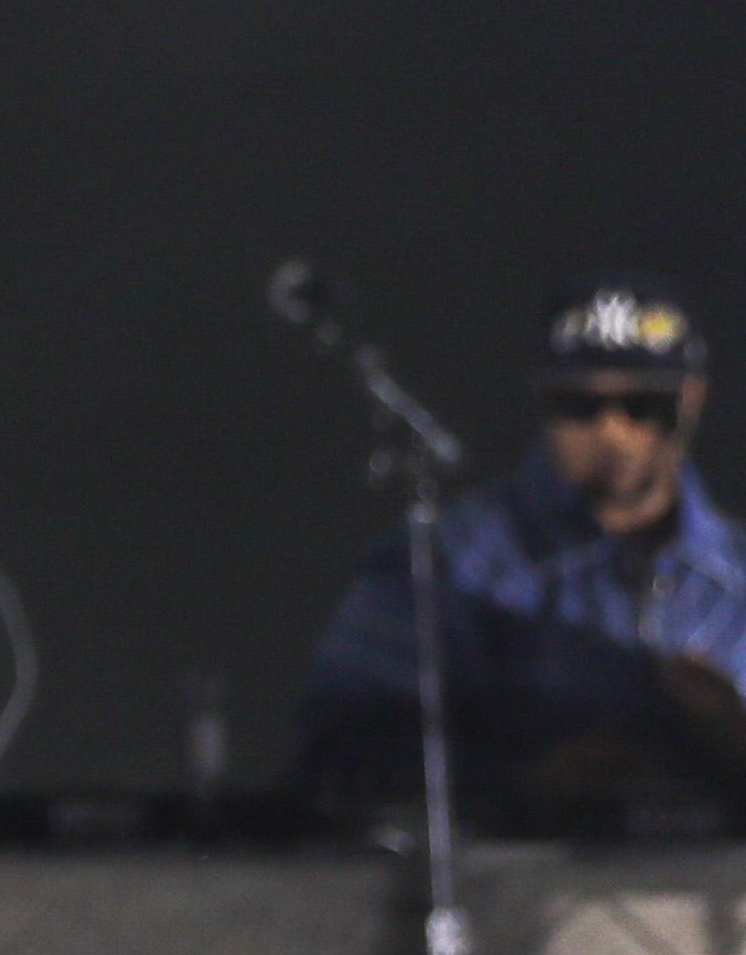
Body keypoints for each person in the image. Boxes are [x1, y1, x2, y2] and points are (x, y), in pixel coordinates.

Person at [303, 275, 746, 829]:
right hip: (511, 898)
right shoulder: (443, 561)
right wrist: (527, 780)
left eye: (644, 405)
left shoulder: (738, 577)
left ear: (692, 399)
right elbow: (336, 756)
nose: (613, 431)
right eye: (579, 405)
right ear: (542, 401)